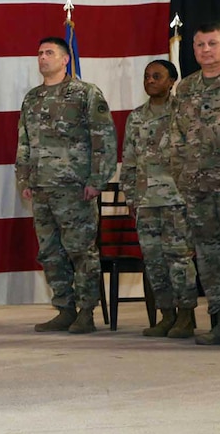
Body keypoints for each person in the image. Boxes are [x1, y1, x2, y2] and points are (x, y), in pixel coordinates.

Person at [15, 37, 117, 334]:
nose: (43, 58)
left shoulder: (85, 93)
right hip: (42, 187)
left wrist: (97, 180)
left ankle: (86, 311)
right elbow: (24, 142)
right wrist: (24, 178)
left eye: (49, 53)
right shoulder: (32, 98)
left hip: (75, 188)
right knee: (50, 252)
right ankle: (64, 308)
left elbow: (103, 139)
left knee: (81, 251)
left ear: (65, 59)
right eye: (39, 53)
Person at [122, 60, 197, 338]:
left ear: (172, 81)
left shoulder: (184, 113)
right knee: (154, 262)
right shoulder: (136, 117)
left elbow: (195, 156)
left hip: (177, 199)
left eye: (157, 76)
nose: (150, 80)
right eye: (146, 76)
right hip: (146, 201)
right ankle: (167, 315)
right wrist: (131, 196)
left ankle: (187, 316)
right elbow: (129, 160)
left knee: (179, 260)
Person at [171, 21, 220, 345]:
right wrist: (181, 175)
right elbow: (176, 136)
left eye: (213, 43)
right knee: (207, 255)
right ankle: (217, 321)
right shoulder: (186, 88)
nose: (206, 50)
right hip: (198, 188)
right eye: (200, 45)